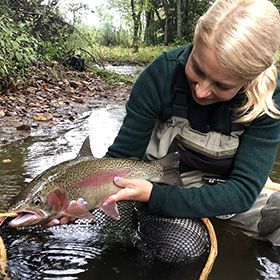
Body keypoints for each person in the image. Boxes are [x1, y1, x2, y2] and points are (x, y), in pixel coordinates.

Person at [49, 0, 280, 245]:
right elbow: (122, 157)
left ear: (250, 78)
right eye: (197, 69)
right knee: (179, 247)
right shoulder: (160, 76)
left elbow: (243, 191)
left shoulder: (271, 101)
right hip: (161, 184)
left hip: (234, 190)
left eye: (222, 85)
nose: (201, 92)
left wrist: (157, 196)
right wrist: (86, 197)